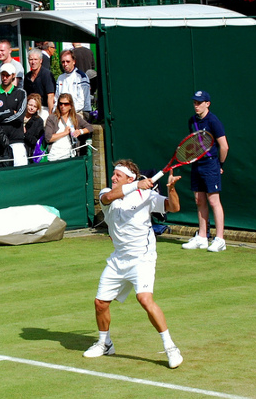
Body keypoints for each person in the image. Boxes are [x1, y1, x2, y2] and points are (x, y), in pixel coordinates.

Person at [84, 159, 183, 369]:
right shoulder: (107, 193)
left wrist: (172, 189)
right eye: (113, 174)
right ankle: (105, 343)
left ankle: (171, 348)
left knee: (145, 299)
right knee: (100, 303)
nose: (113, 178)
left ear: (129, 178)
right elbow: (108, 197)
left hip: (142, 258)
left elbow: (173, 207)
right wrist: (136, 185)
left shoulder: (146, 195)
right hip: (118, 258)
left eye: (117, 176)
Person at [182, 90, 229, 253]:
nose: (196, 105)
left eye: (199, 102)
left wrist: (220, 164)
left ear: (207, 104)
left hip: (211, 164)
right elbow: (194, 144)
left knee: (214, 201)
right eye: (194, 102)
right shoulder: (192, 121)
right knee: (199, 200)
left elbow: (224, 146)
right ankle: (202, 237)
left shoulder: (214, 121)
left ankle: (220, 239)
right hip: (197, 164)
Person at [0, 63, 29, 166]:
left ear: (13, 75)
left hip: (16, 139)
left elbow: (19, 117)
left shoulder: (21, 93)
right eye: (3, 75)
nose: (4, 78)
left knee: (20, 171)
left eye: (7, 75)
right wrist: (10, 112)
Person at [45, 93, 92, 161]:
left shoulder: (75, 118)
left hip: (70, 155)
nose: (62, 106)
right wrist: (65, 133)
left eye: (66, 104)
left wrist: (80, 131)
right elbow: (48, 138)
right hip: (54, 156)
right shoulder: (52, 118)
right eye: (60, 104)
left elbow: (90, 128)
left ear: (70, 106)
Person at [55, 50, 91, 117]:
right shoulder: (60, 78)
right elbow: (56, 98)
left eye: (68, 61)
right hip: (62, 112)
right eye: (63, 62)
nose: (65, 64)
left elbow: (82, 101)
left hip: (78, 112)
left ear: (74, 62)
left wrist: (68, 111)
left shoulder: (81, 77)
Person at [23, 48, 55, 117]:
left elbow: (50, 96)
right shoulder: (27, 77)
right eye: (31, 59)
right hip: (30, 109)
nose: (33, 62)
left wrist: (51, 115)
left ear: (41, 61)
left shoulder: (47, 74)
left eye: (35, 59)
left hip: (43, 109)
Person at [23, 93, 46, 163]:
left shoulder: (38, 121)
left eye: (35, 106)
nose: (31, 108)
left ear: (37, 108)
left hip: (28, 153)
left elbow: (35, 141)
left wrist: (25, 133)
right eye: (30, 105)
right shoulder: (18, 117)